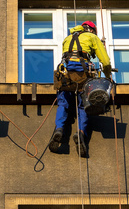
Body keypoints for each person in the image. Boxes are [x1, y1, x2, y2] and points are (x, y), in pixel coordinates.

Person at [48, 20, 112, 157]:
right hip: (83, 74)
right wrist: (108, 76)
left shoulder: (67, 38)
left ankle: (59, 129)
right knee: (83, 105)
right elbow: (105, 62)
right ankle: (81, 133)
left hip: (65, 74)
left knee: (63, 103)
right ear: (92, 30)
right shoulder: (92, 37)